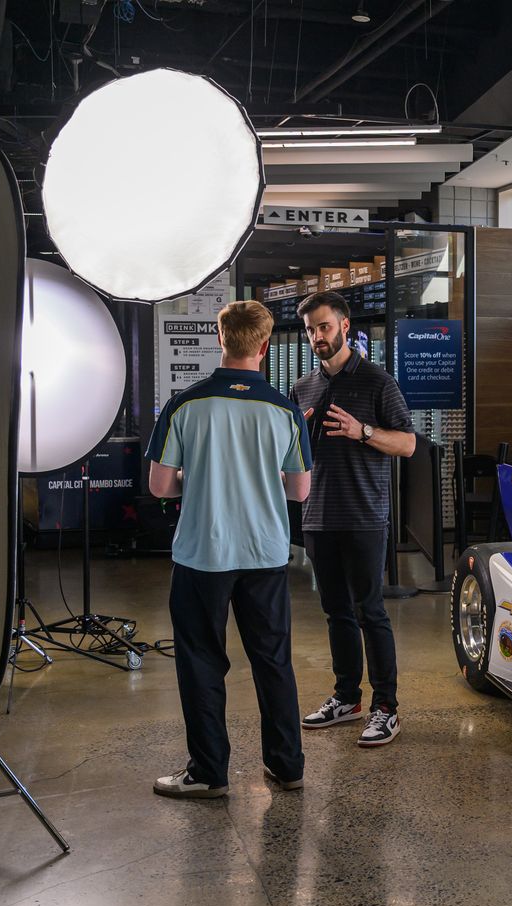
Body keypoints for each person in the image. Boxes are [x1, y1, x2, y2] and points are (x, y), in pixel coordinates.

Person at [147, 300, 313, 798]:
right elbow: (300, 491)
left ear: (222, 339)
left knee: (200, 660)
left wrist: (198, 481)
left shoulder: (185, 404)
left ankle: (209, 773)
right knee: (273, 660)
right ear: (264, 346)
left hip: (203, 553)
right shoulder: (284, 410)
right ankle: (287, 767)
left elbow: (160, 486)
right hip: (264, 553)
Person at [289, 290, 416, 749]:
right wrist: (295, 435)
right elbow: (293, 457)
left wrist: (362, 431)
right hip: (318, 515)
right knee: (335, 612)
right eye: (309, 330)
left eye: (323, 326)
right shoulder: (302, 388)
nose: (316, 337)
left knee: (370, 611)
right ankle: (347, 697)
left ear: (344, 325)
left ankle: (386, 707)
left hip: (364, 514)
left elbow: (407, 444)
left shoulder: (378, 382)